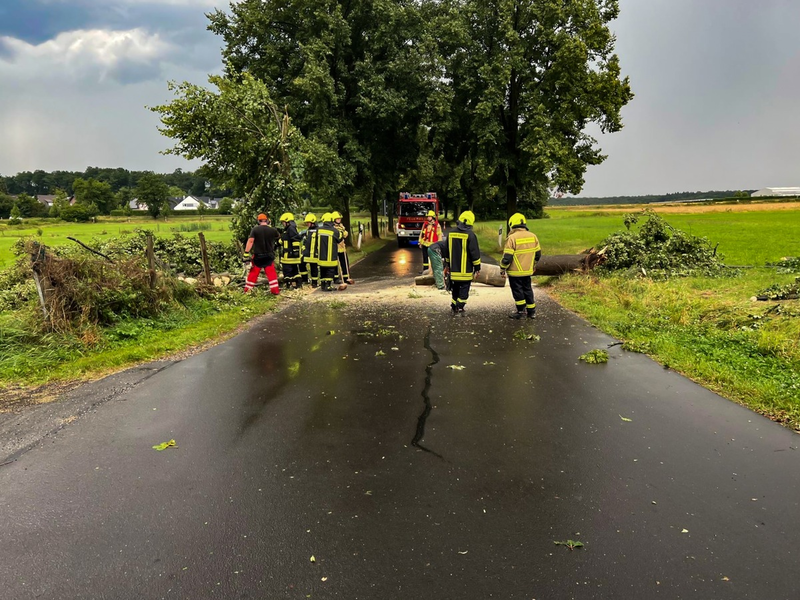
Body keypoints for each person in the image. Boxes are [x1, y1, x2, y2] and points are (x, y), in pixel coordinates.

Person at [500, 213, 542, 319]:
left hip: (515, 272)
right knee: (527, 289)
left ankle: (521, 312)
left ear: (512, 224)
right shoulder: (533, 236)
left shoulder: (511, 238)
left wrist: (502, 268)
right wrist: (533, 264)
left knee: (517, 291)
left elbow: (507, 258)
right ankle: (531, 312)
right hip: (528, 271)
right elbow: (538, 254)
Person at [445, 210, 481, 316]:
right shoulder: (471, 235)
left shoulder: (450, 233)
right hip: (466, 270)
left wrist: (447, 265)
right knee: (464, 289)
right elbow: (475, 253)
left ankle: (454, 306)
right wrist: (477, 268)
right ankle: (460, 308)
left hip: (454, 269)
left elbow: (446, 250)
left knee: (455, 288)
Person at [243, 213, 281, 294]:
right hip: (269, 255)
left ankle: (248, 290)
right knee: (271, 274)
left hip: (258, 256)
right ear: (267, 220)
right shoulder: (273, 230)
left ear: (258, 221)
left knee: (253, 273)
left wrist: (246, 253)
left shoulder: (255, 229)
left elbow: (250, 241)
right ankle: (275, 290)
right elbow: (279, 238)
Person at [317, 213, 343, 291]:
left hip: (321, 255)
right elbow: (340, 239)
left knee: (323, 269)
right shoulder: (334, 231)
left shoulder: (319, 229)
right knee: (330, 270)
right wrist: (341, 231)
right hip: (330, 255)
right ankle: (328, 285)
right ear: (332, 221)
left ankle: (323, 285)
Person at [279, 212, 303, 289]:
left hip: (290, 255)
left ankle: (289, 285)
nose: (283, 224)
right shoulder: (288, 229)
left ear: (287, 221)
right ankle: (297, 283)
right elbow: (285, 240)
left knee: (287, 271)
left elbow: (295, 239)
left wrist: (295, 251)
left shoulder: (291, 228)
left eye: (283, 222)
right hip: (289, 254)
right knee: (294, 270)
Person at [331, 211, 354, 285]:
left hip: (342, 248)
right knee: (335, 264)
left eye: (339, 219)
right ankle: (336, 278)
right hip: (335, 248)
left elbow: (346, 234)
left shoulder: (341, 226)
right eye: (337, 219)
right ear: (333, 220)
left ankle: (346, 277)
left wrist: (343, 231)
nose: (339, 220)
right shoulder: (332, 227)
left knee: (345, 263)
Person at [418, 210, 443, 274]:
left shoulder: (437, 225)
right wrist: (420, 242)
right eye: (428, 216)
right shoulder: (425, 224)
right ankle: (425, 270)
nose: (428, 218)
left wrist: (439, 245)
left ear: (433, 217)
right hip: (424, 244)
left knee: (433, 258)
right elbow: (422, 233)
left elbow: (439, 235)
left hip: (433, 245)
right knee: (425, 258)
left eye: (429, 216)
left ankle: (433, 271)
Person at [301, 213, 319, 288]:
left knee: (314, 268)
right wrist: (303, 249)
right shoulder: (308, 231)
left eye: (308, 223)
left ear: (313, 222)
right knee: (301, 264)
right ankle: (305, 280)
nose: (307, 224)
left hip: (314, 253)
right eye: (307, 223)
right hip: (307, 253)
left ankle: (314, 283)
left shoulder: (318, 231)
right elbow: (305, 241)